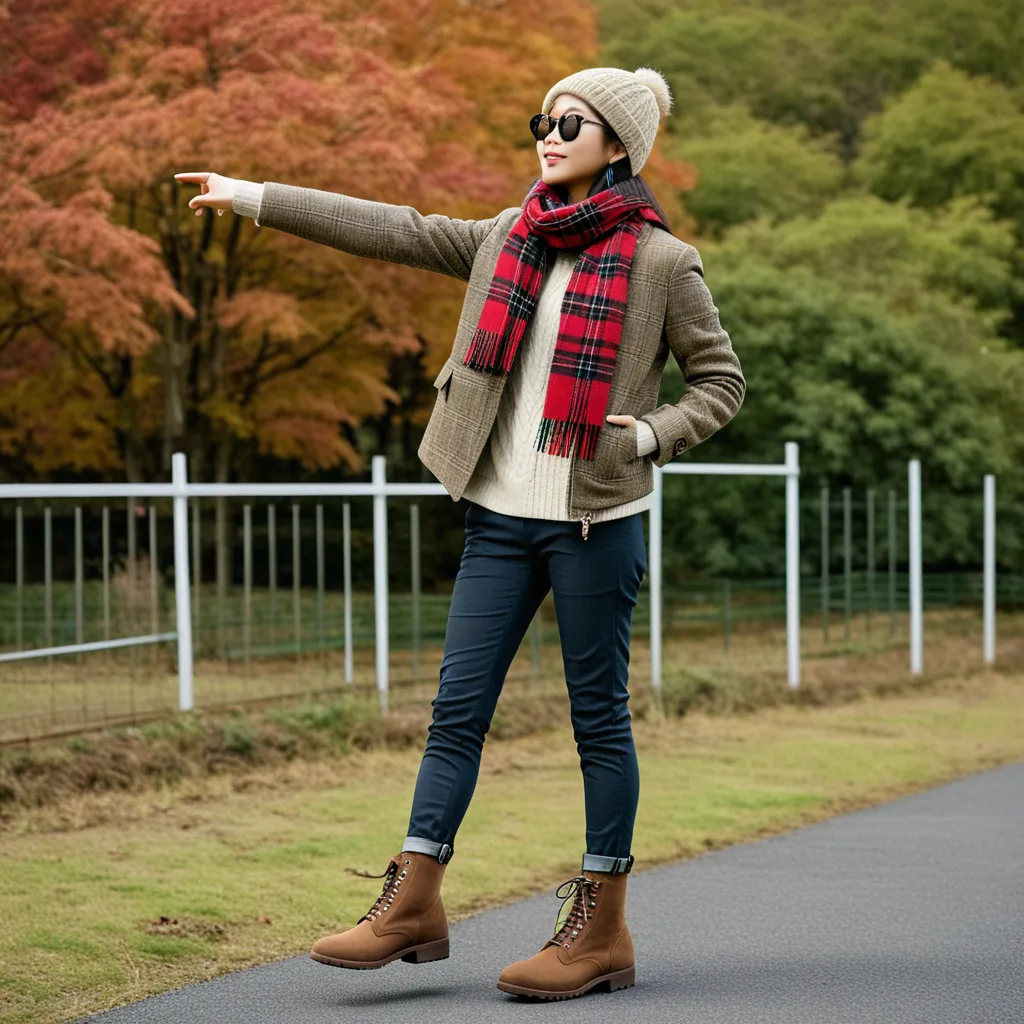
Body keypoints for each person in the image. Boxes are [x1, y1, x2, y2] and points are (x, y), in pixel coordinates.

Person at [176, 64, 745, 1001]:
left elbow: (720, 384)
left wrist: (647, 434)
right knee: (456, 713)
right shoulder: (505, 237)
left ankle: (601, 926)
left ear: (618, 145)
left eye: (572, 123)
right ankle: (413, 903)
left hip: (595, 523)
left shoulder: (661, 263)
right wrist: (253, 197)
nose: (549, 135)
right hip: (497, 520)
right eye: (543, 120)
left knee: (596, 720)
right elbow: (392, 226)